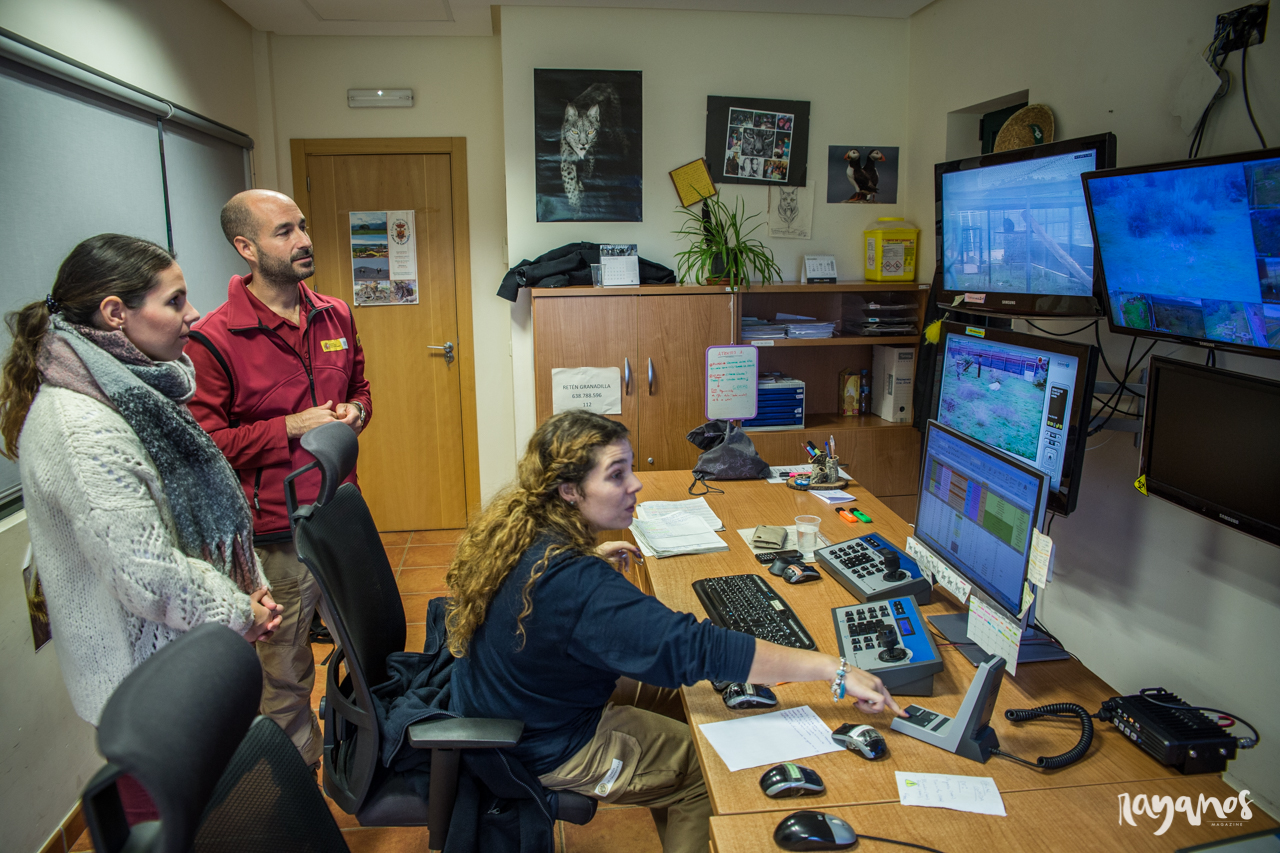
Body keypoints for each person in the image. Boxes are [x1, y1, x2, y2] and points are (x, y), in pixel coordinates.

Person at [445, 410, 903, 853]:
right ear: (569, 490)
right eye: (617, 475)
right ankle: (678, 796)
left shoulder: (529, 535)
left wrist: (589, 560)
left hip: (513, 702)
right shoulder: (576, 584)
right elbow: (696, 648)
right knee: (709, 772)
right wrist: (832, 667)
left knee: (693, 697)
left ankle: (664, 792)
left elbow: (559, 600)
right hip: (545, 744)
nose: (635, 484)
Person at [0, 233, 283, 821]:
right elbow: (148, 576)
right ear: (115, 313)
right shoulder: (82, 426)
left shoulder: (135, 390)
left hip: (192, 658)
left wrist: (248, 588)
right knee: (176, 827)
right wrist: (238, 610)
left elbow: (207, 511)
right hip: (150, 692)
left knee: (225, 821)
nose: (193, 313)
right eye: (175, 301)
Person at [185, 189, 372, 770]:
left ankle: (366, 760)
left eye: (303, 226)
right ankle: (299, 787)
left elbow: (360, 389)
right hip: (276, 534)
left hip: (340, 515)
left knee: (368, 646)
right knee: (286, 673)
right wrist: (291, 426)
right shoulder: (212, 338)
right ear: (246, 248)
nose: (304, 240)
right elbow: (207, 446)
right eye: (284, 231)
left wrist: (355, 412)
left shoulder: (335, 313)